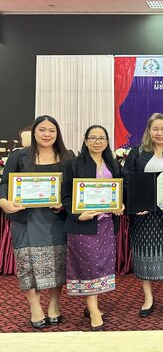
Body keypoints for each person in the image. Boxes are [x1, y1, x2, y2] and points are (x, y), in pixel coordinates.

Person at [0, 115, 74, 329]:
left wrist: (64, 204)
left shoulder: (67, 156)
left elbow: (70, 188)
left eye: (52, 130)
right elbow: (5, 181)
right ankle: (35, 307)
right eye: (42, 129)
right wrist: (3, 201)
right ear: (33, 132)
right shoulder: (19, 156)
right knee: (28, 267)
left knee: (56, 265)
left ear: (57, 133)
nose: (47, 134)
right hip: (26, 220)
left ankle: (54, 305)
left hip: (55, 220)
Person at [122, 113, 163, 319]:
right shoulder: (137, 152)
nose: (160, 133)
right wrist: (134, 205)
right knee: (145, 256)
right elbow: (127, 180)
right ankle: (148, 298)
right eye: (155, 129)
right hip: (144, 216)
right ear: (149, 131)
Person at [62, 125, 123, 331]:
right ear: (85, 140)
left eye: (102, 138)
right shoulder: (74, 164)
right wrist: (78, 213)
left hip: (106, 224)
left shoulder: (112, 163)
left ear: (107, 141)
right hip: (84, 224)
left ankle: (91, 306)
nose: (98, 142)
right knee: (88, 264)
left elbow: (120, 189)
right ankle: (94, 310)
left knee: (101, 265)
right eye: (93, 138)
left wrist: (120, 205)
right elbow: (66, 195)